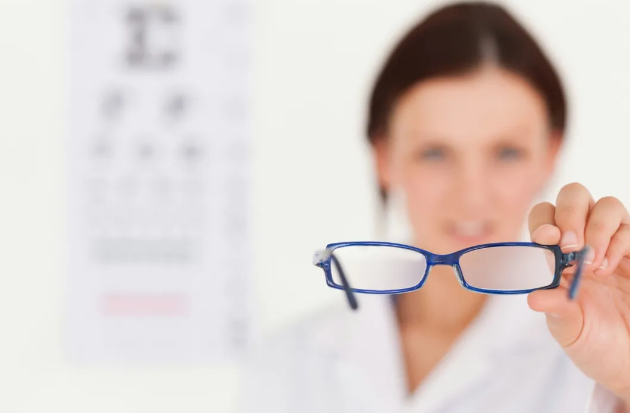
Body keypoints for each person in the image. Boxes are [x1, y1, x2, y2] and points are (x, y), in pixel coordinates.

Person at [239, 2, 630, 412]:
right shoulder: (287, 363)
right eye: (434, 153)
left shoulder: (597, 356)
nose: (471, 195)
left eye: (507, 153)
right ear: (384, 157)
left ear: (550, 155)